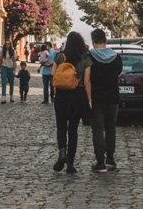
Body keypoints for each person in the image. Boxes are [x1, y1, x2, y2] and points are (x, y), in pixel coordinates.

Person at [51, 31, 89, 174]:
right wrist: (89, 99)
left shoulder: (60, 56)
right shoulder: (84, 58)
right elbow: (86, 81)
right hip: (77, 95)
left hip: (61, 96)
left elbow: (53, 77)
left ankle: (62, 153)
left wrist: (54, 93)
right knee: (73, 130)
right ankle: (71, 163)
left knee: (61, 128)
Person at [85, 28, 121, 172]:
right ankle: (110, 160)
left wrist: (88, 99)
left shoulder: (89, 57)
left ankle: (100, 162)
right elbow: (117, 74)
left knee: (98, 130)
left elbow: (87, 80)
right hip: (113, 98)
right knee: (111, 128)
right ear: (105, 41)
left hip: (96, 98)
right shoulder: (117, 57)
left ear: (93, 42)